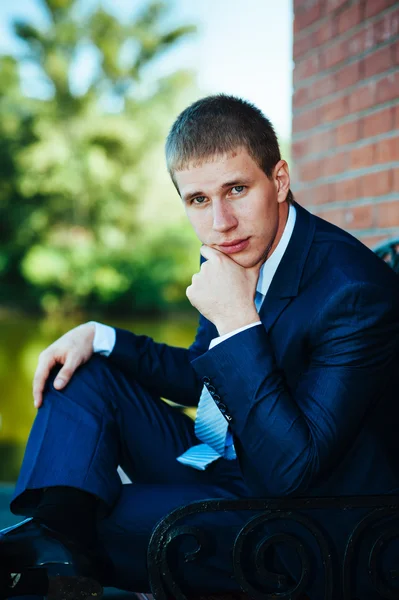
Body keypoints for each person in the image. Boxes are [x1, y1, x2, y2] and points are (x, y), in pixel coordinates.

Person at [1, 94, 398, 600]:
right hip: (226, 458)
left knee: (100, 510)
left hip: (315, 519)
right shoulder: (240, 249)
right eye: (199, 200)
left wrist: (235, 318)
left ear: (279, 180)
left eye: (236, 189)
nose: (221, 222)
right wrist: (102, 337)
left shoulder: (352, 292)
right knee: (86, 373)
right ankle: (56, 547)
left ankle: (58, 554)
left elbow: (292, 472)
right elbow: (204, 376)